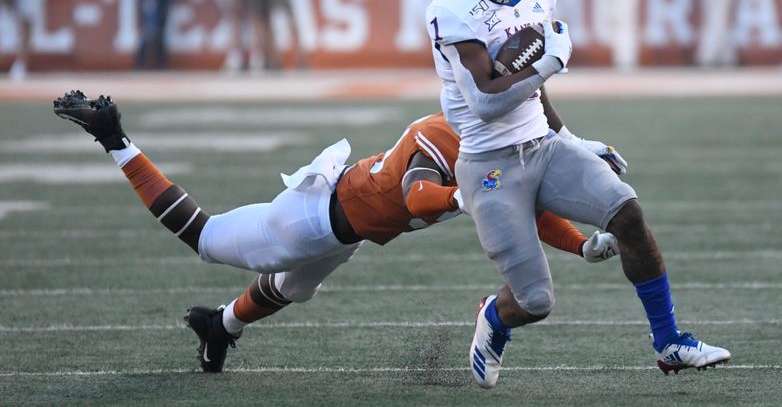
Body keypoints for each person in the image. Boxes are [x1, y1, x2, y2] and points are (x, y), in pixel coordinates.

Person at [52, 90, 621, 373]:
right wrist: (470, 196)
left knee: (291, 289)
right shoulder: (441, 136)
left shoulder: (494, 147)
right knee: (204, 238)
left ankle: (219, 326)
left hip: (344, 233)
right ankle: (115, 140)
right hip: (308, 220)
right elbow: (420, 196)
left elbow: (523, 210)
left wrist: (581, 243)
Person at [425, 0, 730, 388]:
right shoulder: (451, 11)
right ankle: (494, 316)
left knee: (627, 213)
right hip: (489, 166)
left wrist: (569, 137)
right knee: (535, 302)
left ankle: (670, 341)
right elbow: (485, 102)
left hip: (543, 147)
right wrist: (548, 63)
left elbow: (531, 87)